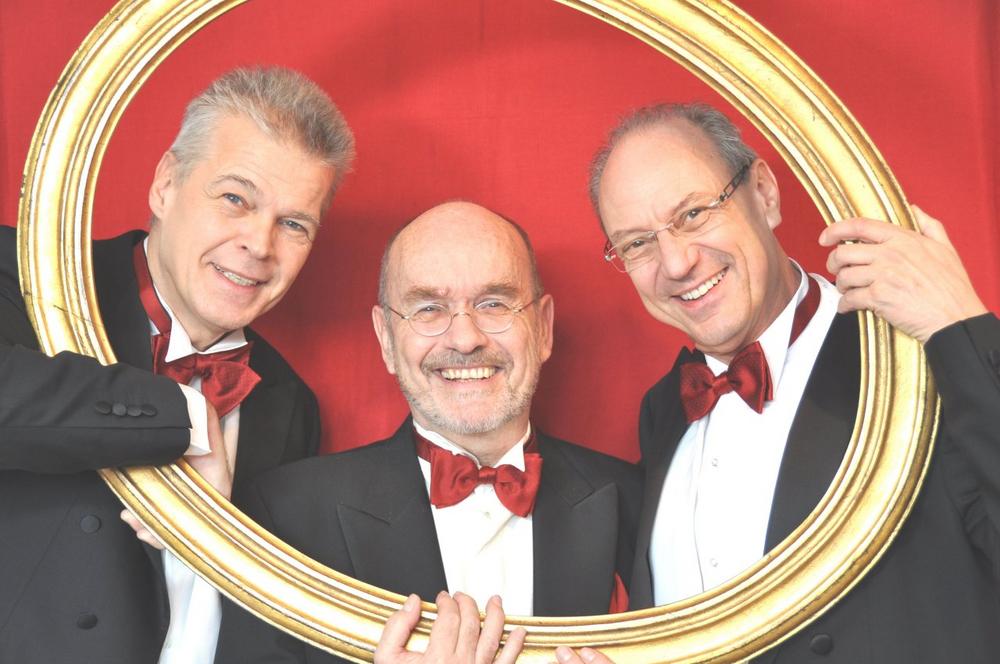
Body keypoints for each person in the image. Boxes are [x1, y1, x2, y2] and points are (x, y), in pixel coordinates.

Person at [560, 102, 999, 663]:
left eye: (693, 213)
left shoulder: (913, 357)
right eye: (637, 243)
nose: (675, 263)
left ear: (764, 194)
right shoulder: (664, 410)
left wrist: (961, 326)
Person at [0, 66, 355, 664]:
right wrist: (186, 420)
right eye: (235, 199)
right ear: (166, 185)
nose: (260, 245)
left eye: (293, 224)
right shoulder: (27, 275)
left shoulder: (289, 401)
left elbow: (260, 613)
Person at [214, 201, 641, 663]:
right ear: (386, 339)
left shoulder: (637, 503)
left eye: (494, 303)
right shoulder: (284, 518)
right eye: (429, 309)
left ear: (543, 328)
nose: (465, 339)